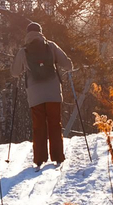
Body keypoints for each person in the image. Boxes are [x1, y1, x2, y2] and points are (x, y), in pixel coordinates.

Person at [11, 22, 73, 168]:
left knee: (38, 126)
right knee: (55, 124)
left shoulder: (24, 51)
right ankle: (58, 157)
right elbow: (68, 65)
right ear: (40, 32)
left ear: (27, 34)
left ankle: (39, 159)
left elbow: (14, 73)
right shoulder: (51, 46)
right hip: (53, 93)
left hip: (35, 94)